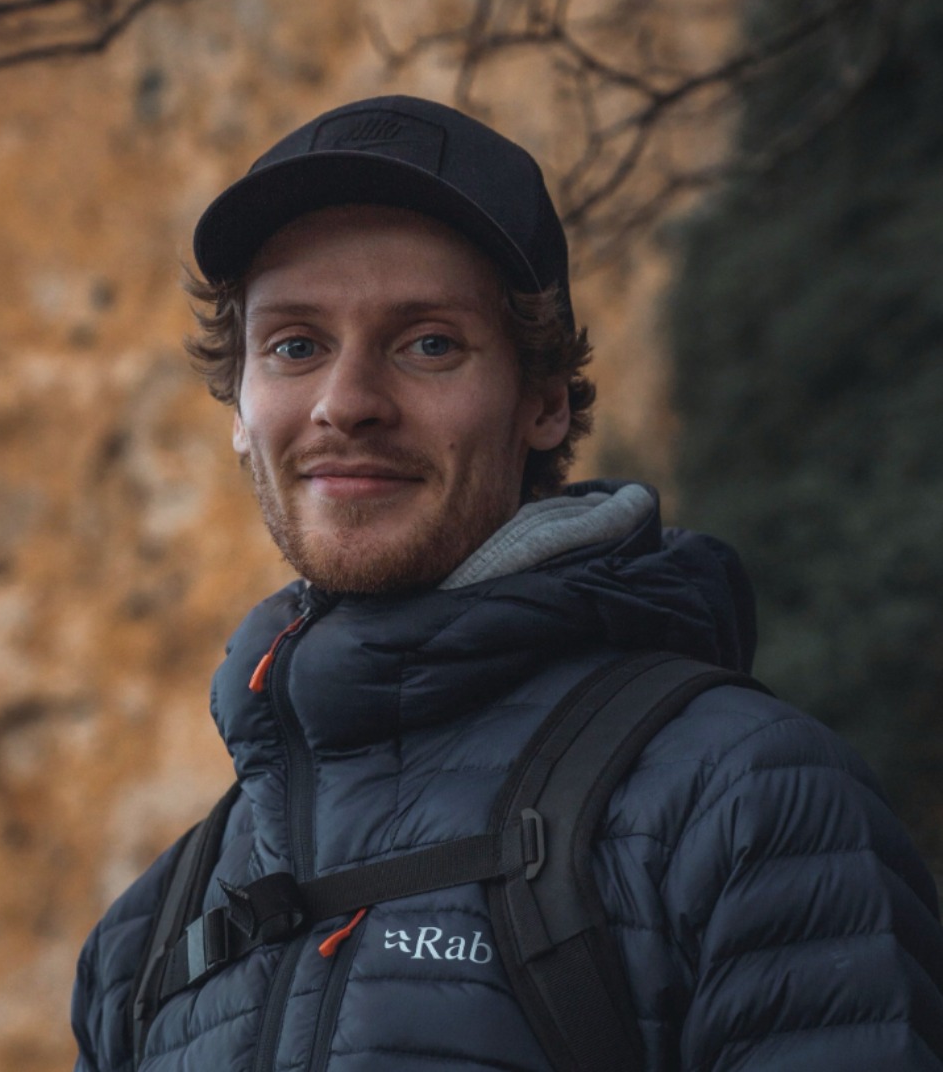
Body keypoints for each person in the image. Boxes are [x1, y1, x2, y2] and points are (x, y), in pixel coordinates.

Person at [71, 95, 943, 1071]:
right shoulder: (147, 938)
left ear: (543, 401)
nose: (346, 403)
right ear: (239, 405)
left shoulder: (747, 807)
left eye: (429, 343)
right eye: (295, 346)